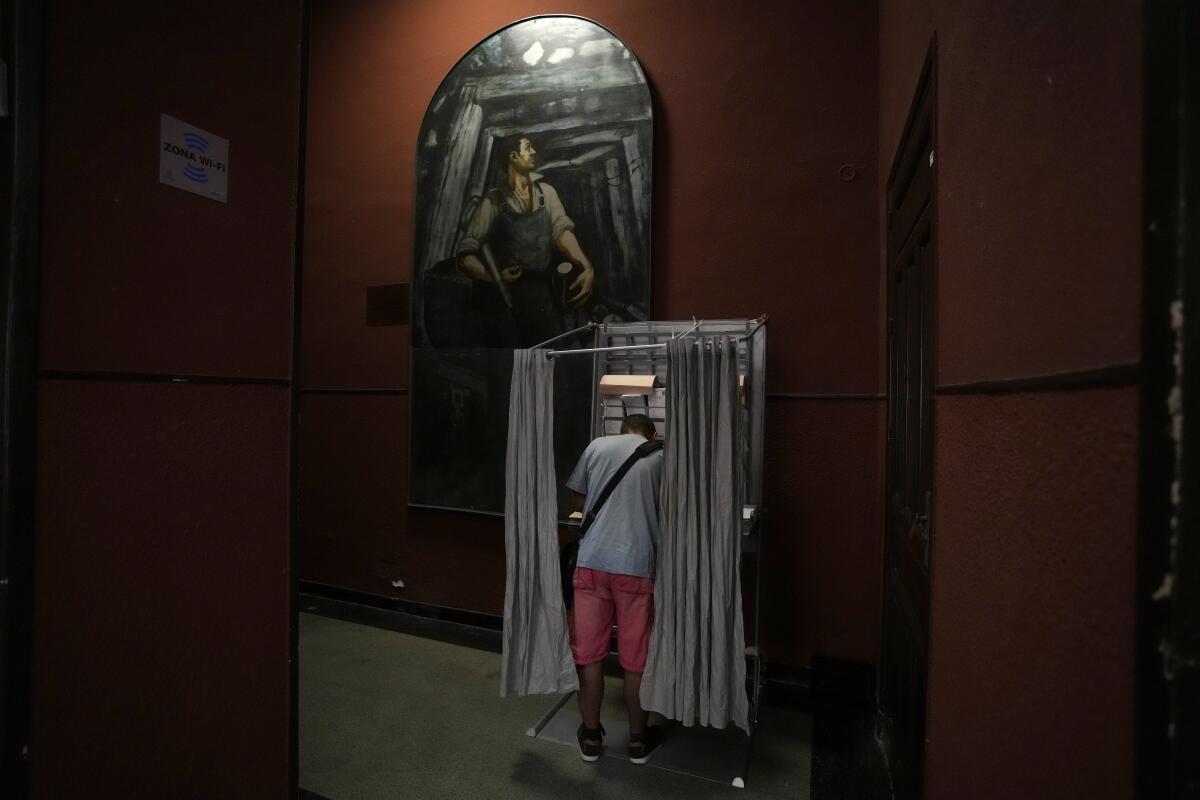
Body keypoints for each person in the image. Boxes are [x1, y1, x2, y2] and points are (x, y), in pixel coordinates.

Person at [564, 413, 665, 764]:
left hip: (592, 563)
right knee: (635, 660)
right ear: (651, 434)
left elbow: (579, 503)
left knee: (589, 655)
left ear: (619, 431)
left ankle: (591, 737)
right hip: (636, 568)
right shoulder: (659, 456)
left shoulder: (596, 446)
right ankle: (638, 741)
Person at [456, 136, 595, 346]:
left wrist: (586, 266)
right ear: (513, 156)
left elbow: (562, 233)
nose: (533, 152)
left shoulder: (546, 193)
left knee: (551, 352)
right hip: (507, 299)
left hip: (543, 294)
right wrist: (493, 278)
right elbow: (465, 255)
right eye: (528, 148)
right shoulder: (493, 201)